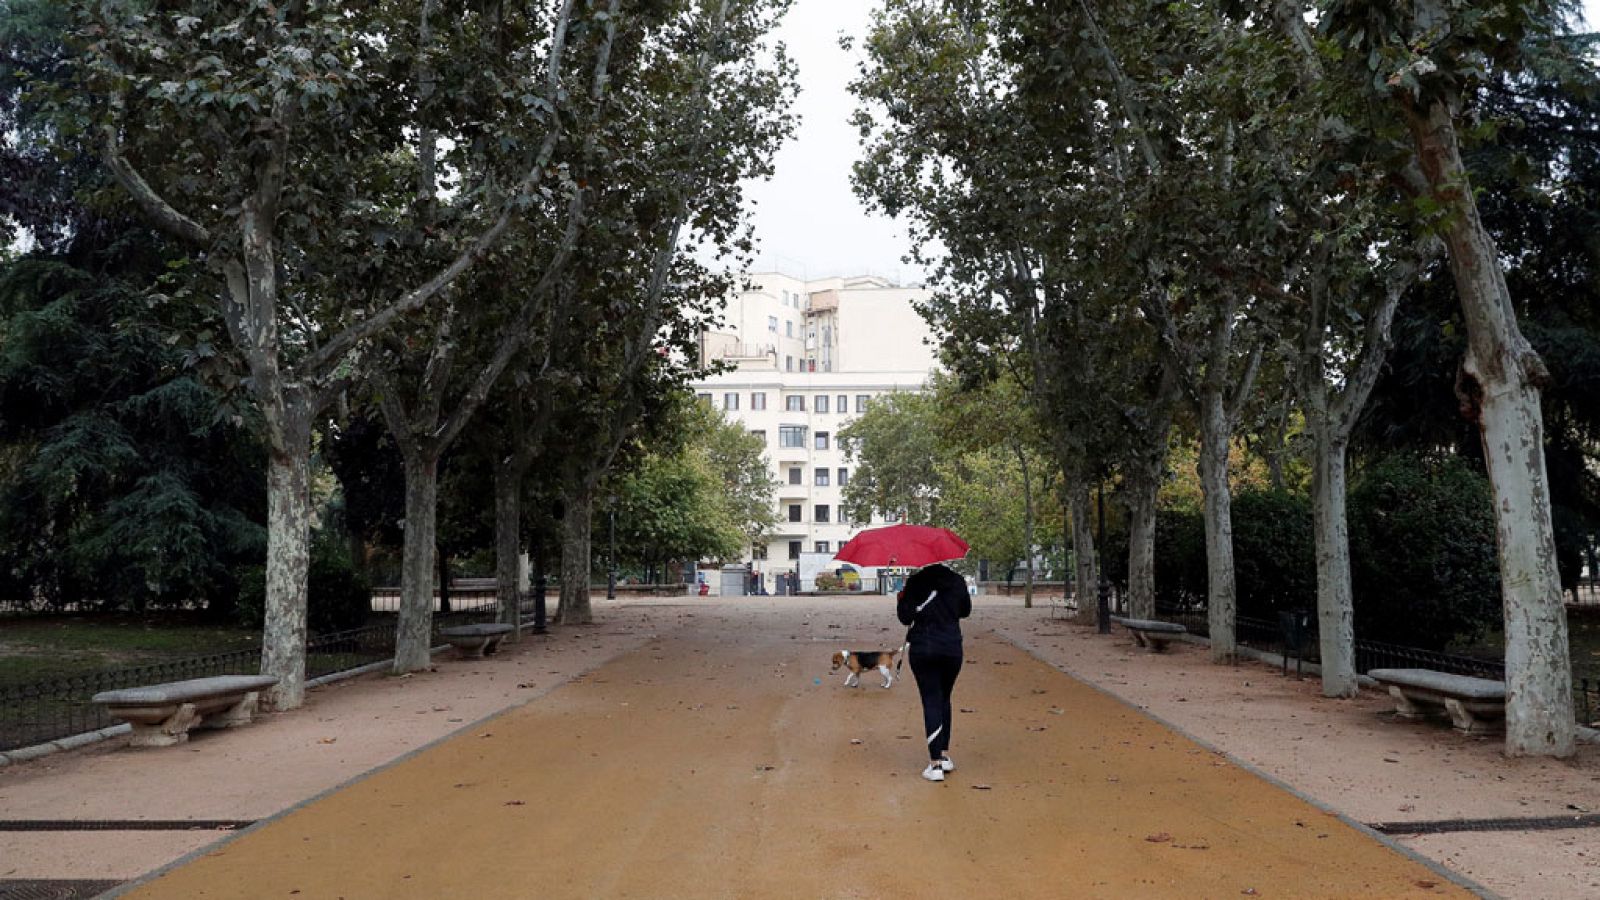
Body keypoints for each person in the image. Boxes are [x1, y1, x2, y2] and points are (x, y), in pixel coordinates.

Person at [896, 561, 972, 783]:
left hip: (923, 648)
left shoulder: (915, 582)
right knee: (944, 699)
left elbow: (905, 618)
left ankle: (935, 764)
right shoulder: (957, 581)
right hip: (951, 648)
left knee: (931, 700)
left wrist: (902, 599)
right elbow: (965, 611)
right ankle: (944, 755)